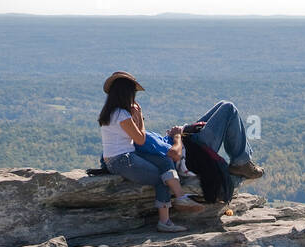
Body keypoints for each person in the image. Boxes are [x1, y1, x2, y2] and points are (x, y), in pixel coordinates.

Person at [98, 71, 199, 233]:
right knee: (161, 179)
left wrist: (137, 119)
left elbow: (135, 138)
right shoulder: (121, 114)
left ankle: (181, 197)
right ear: (126, 93)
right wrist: (140, 118)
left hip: (123, 157)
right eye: (133, 92)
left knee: (164, 159)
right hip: (121, 160)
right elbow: (140, 139)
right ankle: (165, 222)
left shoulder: (111, 112)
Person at [187, 101, 264, 182]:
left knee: (223, 104)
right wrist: (177, 137)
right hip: (193, 153)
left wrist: (182, 130)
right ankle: (241, 163)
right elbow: (174, 154)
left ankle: (242, 161)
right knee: (229, 109)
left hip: (187, 141)